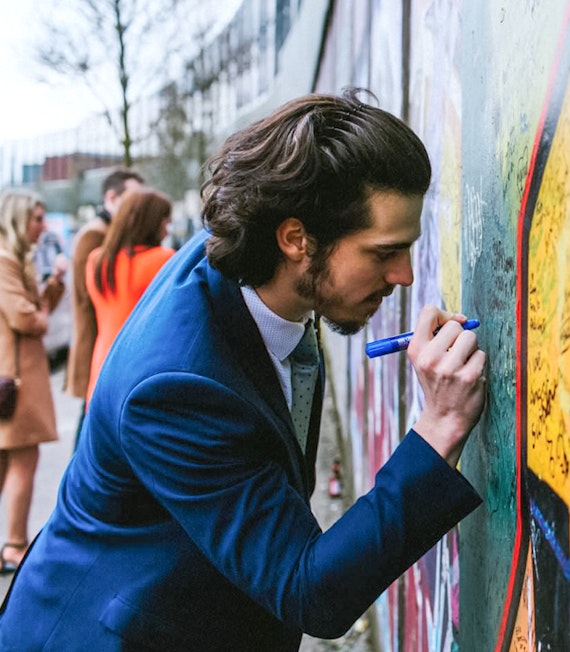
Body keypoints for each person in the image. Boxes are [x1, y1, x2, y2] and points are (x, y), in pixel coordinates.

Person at [0, 89, 487, 650]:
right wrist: (438, 429)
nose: (403, 275)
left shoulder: (244, 270)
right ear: (296, 239)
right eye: (382, 253)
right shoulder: (179, 390)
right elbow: (312, 591)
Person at [0, 191, 65, 575]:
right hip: (17, 378)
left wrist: (52, 285)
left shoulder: (15, 260)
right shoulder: (5, 260)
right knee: (24, 462)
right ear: (19, 219)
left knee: (10, 463)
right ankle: (15, 545)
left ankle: (11, 542)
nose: (43, 225)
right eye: (37, 217)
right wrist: (38, 315)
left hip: (16, 374)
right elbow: (26, 318)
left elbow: (36, 309)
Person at [64, 168, 144, 440]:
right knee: (89, 427)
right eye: (132, 199)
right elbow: (91, 293)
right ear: (112, 198)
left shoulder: (106, 232)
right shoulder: (95, 236)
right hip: (98, 340)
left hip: (103, 340)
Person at [83, 188, 175, 406]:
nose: (167, 229)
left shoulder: (96, 261)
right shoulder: (161, 259)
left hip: (102, 368)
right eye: (165, 220)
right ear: (151, 222)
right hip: (142, 370)